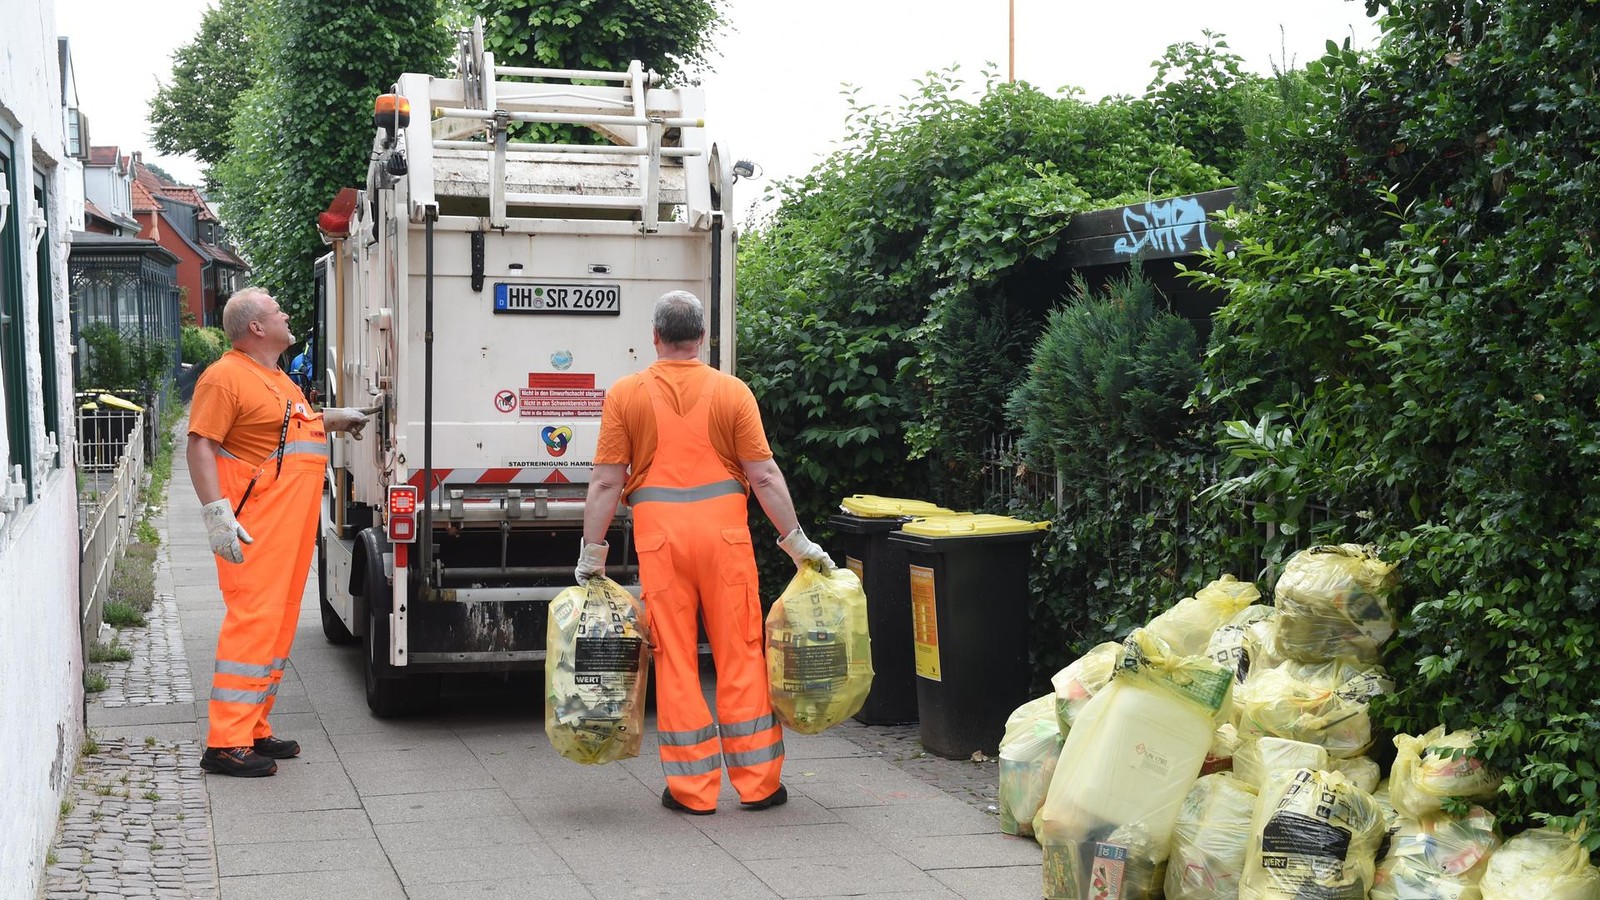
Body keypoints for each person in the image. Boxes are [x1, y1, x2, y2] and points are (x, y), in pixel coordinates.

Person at [577, 289, 834, 815]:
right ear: (701, 339)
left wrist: (592, 553)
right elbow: (763, 475)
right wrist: (797, 542)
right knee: (739, 653)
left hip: (660, 542)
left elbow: (606, 483)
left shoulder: (625, 394)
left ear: (654, 337)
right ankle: (759, 785)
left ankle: (692, 792)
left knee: (674, 661)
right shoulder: (732, 392)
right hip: (725, 540)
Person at [187, 288, 370, 777]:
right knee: (253, 624)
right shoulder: (225, 378)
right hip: (256, 529)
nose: (286, 314)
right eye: (276, 310)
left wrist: (336, 419)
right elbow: (201, 446)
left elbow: (293, 427)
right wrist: (215, 515)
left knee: (278, 626)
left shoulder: (274, 379)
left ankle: (252, 728)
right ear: (256, 327)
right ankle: (225, 742)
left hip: (286, 531)